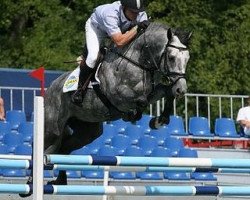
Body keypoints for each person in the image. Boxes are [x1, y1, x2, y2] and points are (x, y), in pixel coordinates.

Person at [71, 0, 149, 104]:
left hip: (120, 30)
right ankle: (79, 90)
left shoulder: (141, 14)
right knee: (93, 57)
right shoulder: (110, 14)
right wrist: (137, 28)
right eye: (133, 12)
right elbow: (119, 42)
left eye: (138, 12)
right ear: (124, 8)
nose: (136, 15)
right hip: (97, 29)